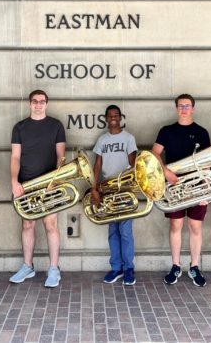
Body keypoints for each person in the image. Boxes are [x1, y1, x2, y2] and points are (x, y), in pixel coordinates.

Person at [152, 94, 211, 287]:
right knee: (175, 226)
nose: (184, 109)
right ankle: (176, 265)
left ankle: (194, 266)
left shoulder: (202, 132)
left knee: (195, 227)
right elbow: (155, 154)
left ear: (193, 108)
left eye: (187, 106)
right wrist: (166, 171)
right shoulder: (167, 131)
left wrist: (207, 191)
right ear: (176, 108)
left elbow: (207, 162)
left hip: (196, 187)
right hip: (173, 186)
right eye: (180, 106)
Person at [9, 90, 66, 288]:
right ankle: (27, 266)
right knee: (27, 225)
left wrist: (56, 180)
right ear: (30, 104)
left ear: (47, 104)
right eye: (35, 101)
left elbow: (61, 156)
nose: (39, 104)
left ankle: (54, 269)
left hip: (49, 184)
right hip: (26, 184)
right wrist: (14, 181)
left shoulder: (56, 125)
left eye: (42, 101)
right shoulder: (19, 127)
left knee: (50, 225)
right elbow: (15, 157)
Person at [90, 105, 138, 286]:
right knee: (113, 232)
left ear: (120, 117)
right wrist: (94, 188)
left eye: (116, 115)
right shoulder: (102, 140)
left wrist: (129, 185)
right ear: (105, 118)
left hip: (125, 190)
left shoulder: (129, 138)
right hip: (107, 190)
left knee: (125, 231)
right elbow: (97, 166)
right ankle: (116, 267)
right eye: (110, 115)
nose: (113, 118)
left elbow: (134, 165)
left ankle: (128, 269)